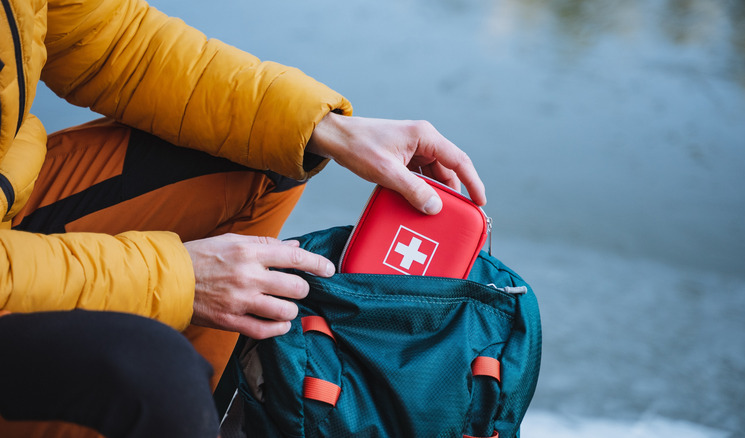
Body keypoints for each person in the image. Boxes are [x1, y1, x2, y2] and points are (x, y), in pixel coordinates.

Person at [0, 0, 486, 437]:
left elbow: (113, 42)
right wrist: (178, 276)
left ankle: (211, 412)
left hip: (14, 194)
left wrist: (326, 128)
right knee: (158, 378)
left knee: (268, 160)